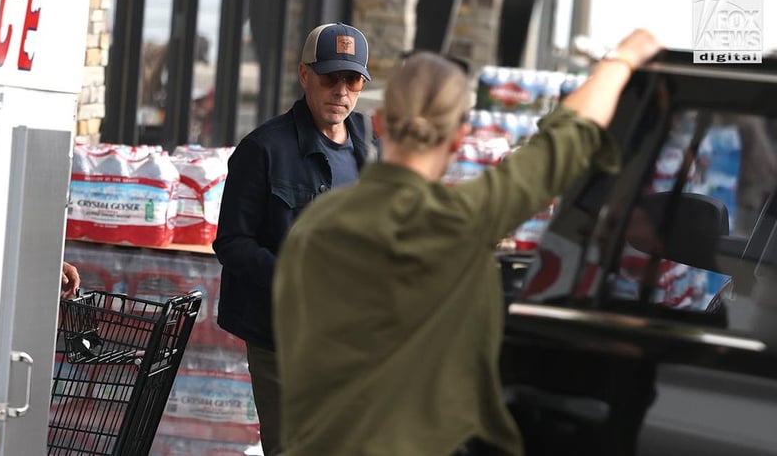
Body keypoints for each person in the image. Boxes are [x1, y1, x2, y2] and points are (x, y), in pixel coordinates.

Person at [272, 29, 663, 456]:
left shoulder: (311, 230)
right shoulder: (462, 220)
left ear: (380, 123)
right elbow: (566, 140)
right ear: (459, 138)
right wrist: (623, 56)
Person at [212, 22, 378, 456]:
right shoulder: (262, 149)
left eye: (353, 79)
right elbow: (231, 243)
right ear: (304, 75)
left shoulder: (370, 145)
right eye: (330, 77)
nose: (341, 91)